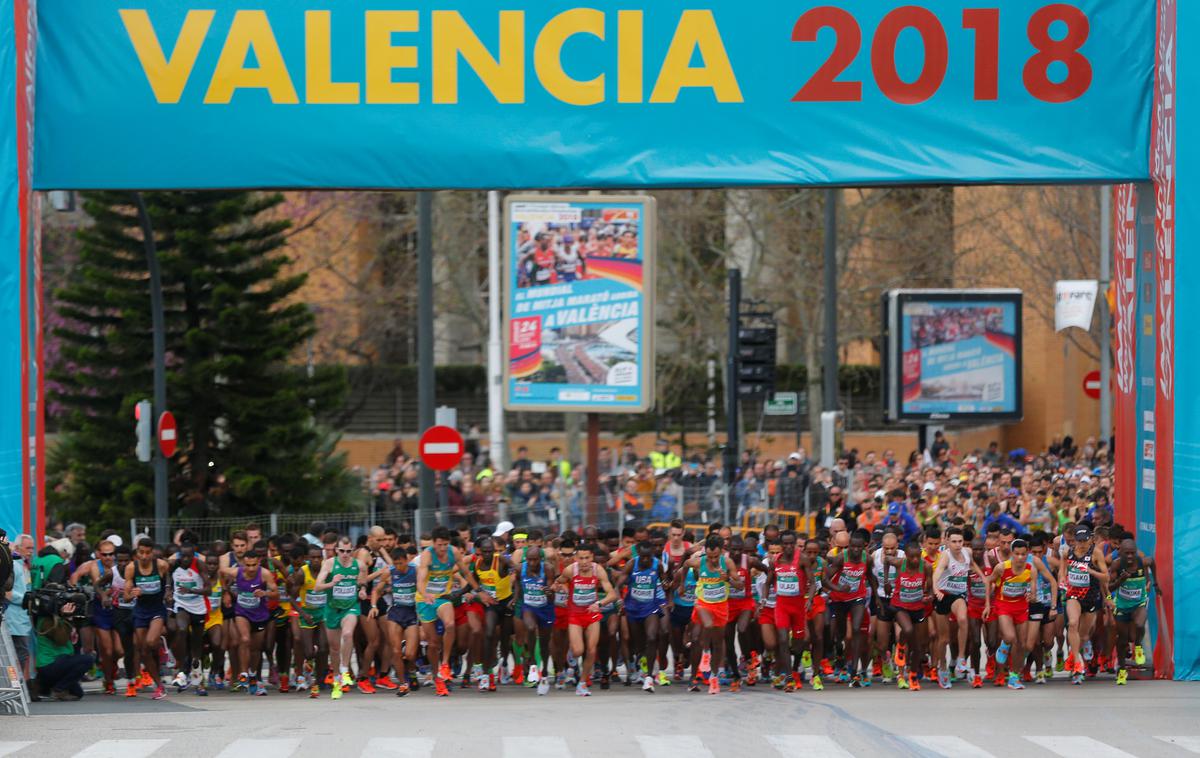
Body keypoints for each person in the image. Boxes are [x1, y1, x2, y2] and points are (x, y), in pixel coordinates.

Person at [555, 542, 618, 696]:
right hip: (575, 614)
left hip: (591, 613)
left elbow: (612, 594)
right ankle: (571, 654)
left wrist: (599, 603)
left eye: (587, 558)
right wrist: (561, 588)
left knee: (591, 650)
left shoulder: (598, 570)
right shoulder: (571, 570)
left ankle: (582, 683)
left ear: (592, 558)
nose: (584, 562)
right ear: (576, 558)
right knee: (578, 650)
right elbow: (558, 581)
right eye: (581, 558)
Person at [314, 536, 368, 700]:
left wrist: (362, 590)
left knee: (347, 634)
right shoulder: (330, 564)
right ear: (336, 550)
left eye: (348, 551)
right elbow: (317, 587)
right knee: (334, 650)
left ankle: (345, 670)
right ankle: (337, 681)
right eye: (342, 551)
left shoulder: (359, 565)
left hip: (350, 607)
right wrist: (332, 583)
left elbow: (362, 582)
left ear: (352, 551)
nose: (345, 554)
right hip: (332, 609)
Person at [680, 535, 734, 694]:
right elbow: (685, 564)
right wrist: (682, 584)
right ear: (705, 553)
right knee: (698, 637)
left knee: (718, 643)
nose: (713, 560)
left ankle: (714, 677)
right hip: (702, 603)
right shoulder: (698, 562)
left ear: (722, 552)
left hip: (720, 605)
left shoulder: (727, 563)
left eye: (716, 557)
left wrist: (728, 578)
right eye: (710, 557)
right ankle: (701, 662)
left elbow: (739, 584)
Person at [124, 537, 171, 700]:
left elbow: (168, 580)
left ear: (152, 553)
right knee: (143, 650)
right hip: (140, 611)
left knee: (151, 642)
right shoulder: (131, 568)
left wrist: (168, 591)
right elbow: (126, 597)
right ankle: (159, 686)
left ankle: (161, 641)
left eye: (147, 553)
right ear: (137, 553)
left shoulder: (161, 565)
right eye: (141, 552)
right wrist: (132, 594)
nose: (144, 556)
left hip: (157, 609)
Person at [1109, 535, 1159, 685]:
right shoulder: (1116, 566)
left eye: (1132, 553)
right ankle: (1122, 670)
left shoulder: (1143, 562)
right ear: (1121, 553)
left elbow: (1152, 562)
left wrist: (1154, 583)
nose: (1130, 556)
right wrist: (1120, 580)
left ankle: (1138, 646)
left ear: (1136, 552)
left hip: (1139, 603)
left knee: (1139, 625)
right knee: (1123, 640)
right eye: (1126, 553)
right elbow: (1109, 587)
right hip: (1122, 606)